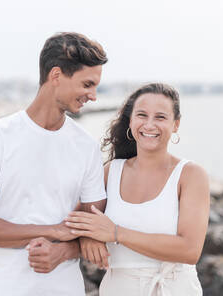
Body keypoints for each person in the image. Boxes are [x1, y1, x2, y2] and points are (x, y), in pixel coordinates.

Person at [0, 32, 109, 295]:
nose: (93, 95)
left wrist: (61, 251)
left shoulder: (87, 147)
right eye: (87, 84)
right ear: (56, 76)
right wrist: (53, 230)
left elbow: (93, 233)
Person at [65, 83, 210, 295]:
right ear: (131, 120)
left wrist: (115, 233)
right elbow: (76, 218)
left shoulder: (190, 175)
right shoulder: (110, 172)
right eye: (142, 115)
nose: (149, 124)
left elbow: (189, 250)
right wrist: (88, 237)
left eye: (160, 117)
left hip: (173, 288)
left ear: (175, 124)